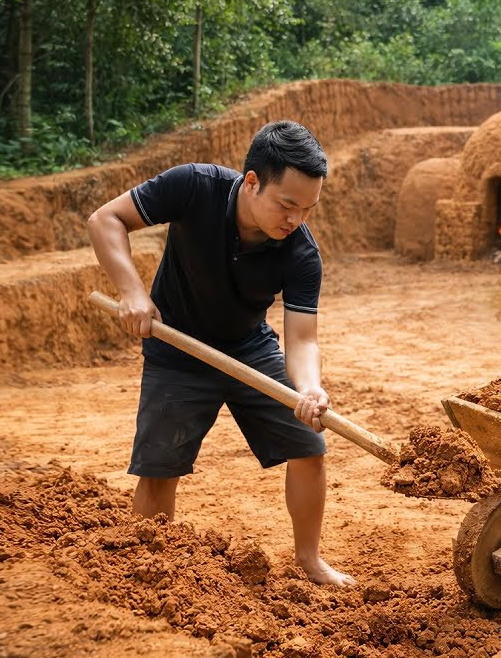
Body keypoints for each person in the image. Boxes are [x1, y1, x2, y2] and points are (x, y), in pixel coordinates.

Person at [87, 120, 354, 586]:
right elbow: (105, 219)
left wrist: (309, 388)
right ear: (251, 182)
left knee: (309, 445)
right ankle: (150, 566)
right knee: (158, 467)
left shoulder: (300, 253)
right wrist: (131, 291)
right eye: (286, 205)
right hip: (176, 348)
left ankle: (309, 560)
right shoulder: (194, 186)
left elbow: (303, 338)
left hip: (248, 348)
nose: (294, 220)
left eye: (307, 209)